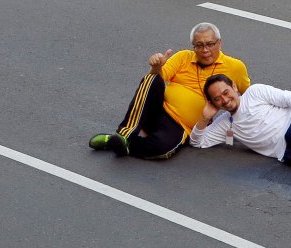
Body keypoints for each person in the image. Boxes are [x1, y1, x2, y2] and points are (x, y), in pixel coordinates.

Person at [89, 22, 251, 159]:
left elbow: (247, 95)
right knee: (151, 78)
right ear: (193, 47)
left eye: (210, 44)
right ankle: (124, 135)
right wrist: (156, 67)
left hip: (181, 126)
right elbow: (157, 79)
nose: (205, 50)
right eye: (199, 45)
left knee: (162, 150)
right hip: (157, 110)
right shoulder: (183, 57)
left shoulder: (235, 67)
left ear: (219, 43)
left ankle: (116, 143)